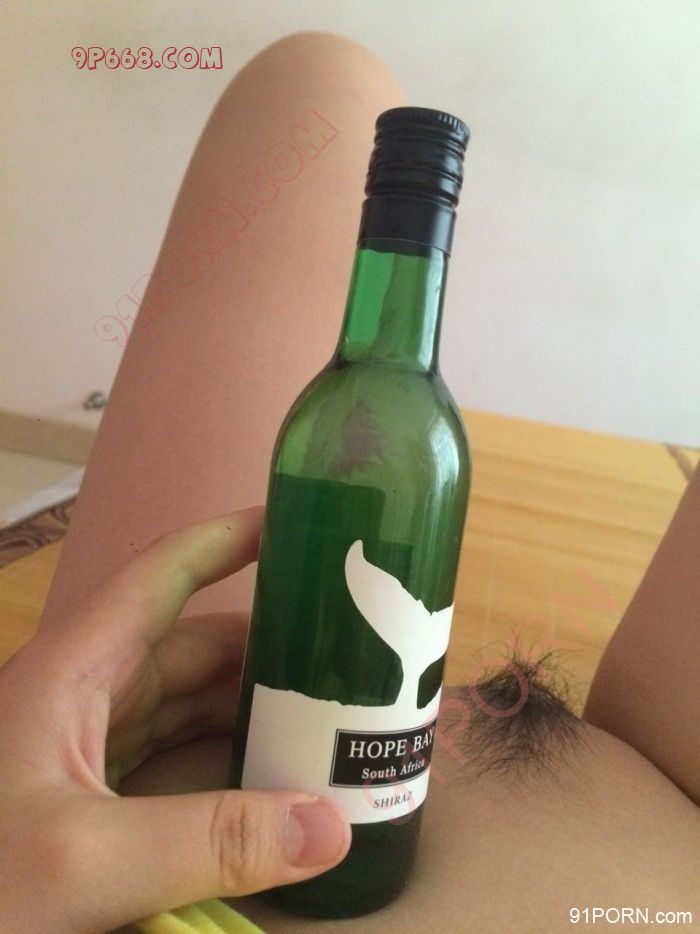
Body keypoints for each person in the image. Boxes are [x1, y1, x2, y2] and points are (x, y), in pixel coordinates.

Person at [1, 33, 697, 934]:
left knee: (314, 78)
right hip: (656, 827)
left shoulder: (423, 421)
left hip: (142, 838)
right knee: (319, 77)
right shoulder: (369, 408)